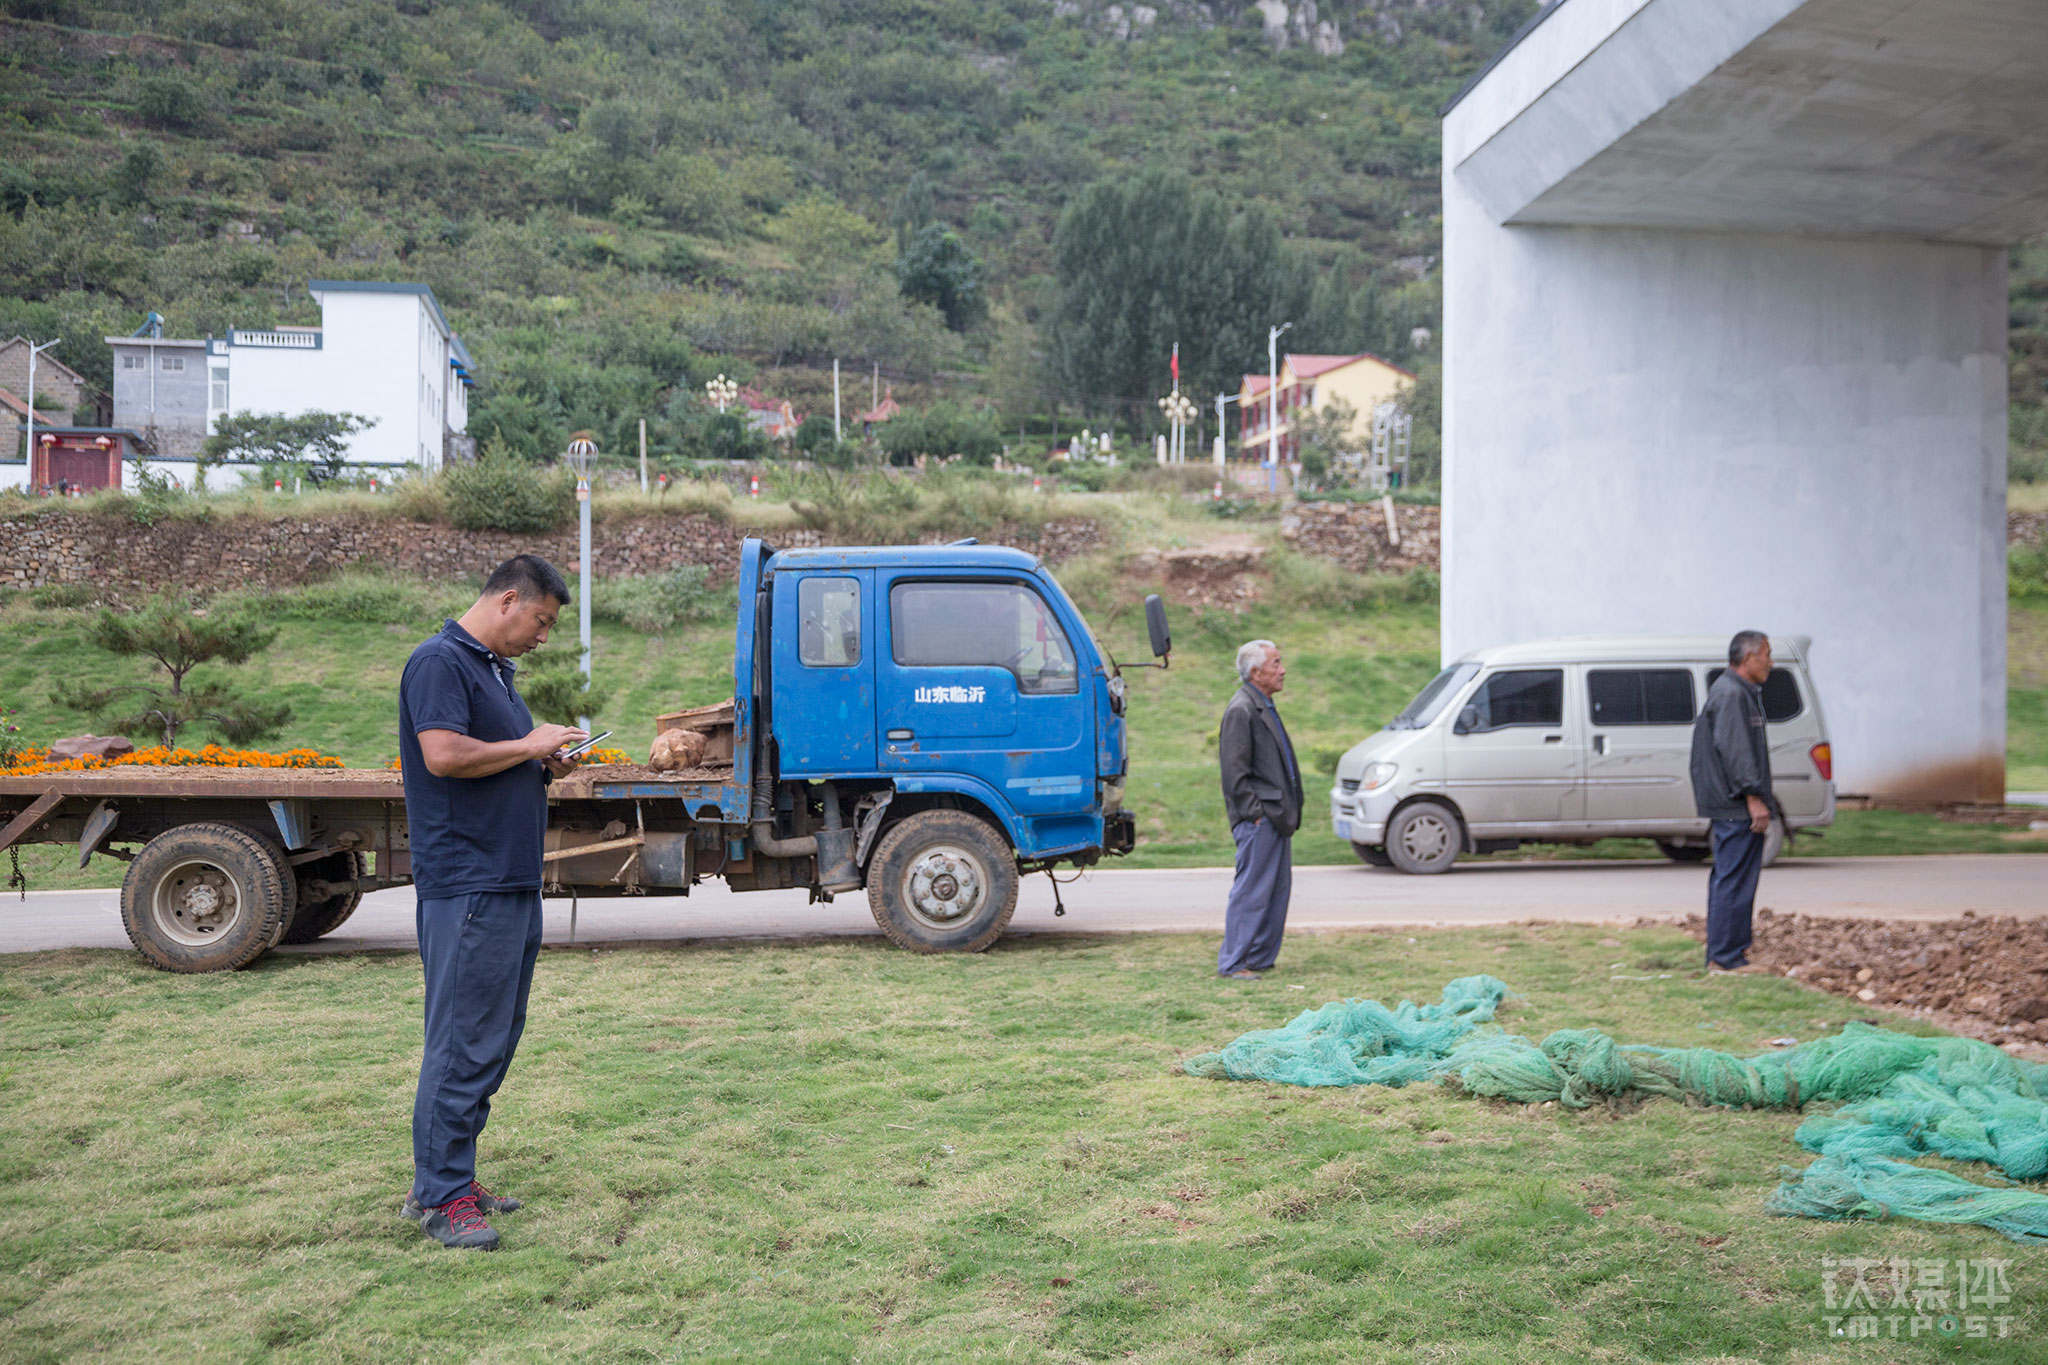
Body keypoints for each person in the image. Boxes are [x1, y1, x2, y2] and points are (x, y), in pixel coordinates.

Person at [397, 554, 588, 1250]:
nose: (542, 636)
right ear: (508, 599)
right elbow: (443, 754)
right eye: (540, 621)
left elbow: (495, 754)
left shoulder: (491, 672)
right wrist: (527, 741)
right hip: (468, 881)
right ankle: (440, 1196)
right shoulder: (439, 661)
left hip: (508, 879)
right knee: (461, 1042)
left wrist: (540, 757)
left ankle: (450, 1175)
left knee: (493, 1040)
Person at [1690, 629, 1776, 975]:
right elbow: (1736, 752)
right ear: (1749, 657)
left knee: (1734, 876)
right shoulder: (1731, 694)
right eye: (1767, 654)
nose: (1771, 662)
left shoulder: (1738, 692)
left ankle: (1729, 954)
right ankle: (1725, 959)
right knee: (1734, 878)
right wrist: (1753, 797)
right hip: (1735, 803)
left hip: (1734, 801)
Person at [1215, 639, 1303, 980]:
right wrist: (1255, 813)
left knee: (1276, 891)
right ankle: (1234, 963)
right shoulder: (1242, 709)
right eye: (1276, 663)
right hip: (1260, 818)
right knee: (1251, 892)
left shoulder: (1262, 704)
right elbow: (1234, 774)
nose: (1282, 670)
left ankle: (1260, 958)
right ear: (1255, 672)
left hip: (1276, 817)